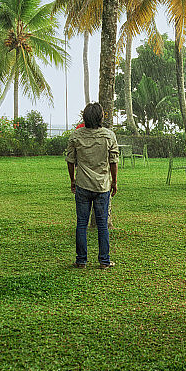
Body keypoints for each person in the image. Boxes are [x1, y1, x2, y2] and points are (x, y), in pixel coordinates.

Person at [65, 102, 118, 269]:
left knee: (81, 223)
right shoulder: (109, 136)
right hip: (102, 186)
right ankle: (104, 260)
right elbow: (113, 161)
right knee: (102, 224)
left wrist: (72, 180)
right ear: (101, 117)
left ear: (84, 117)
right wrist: (114, 182)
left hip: (82, 184)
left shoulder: (76, 135)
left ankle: (81, 260)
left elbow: (70, 161)